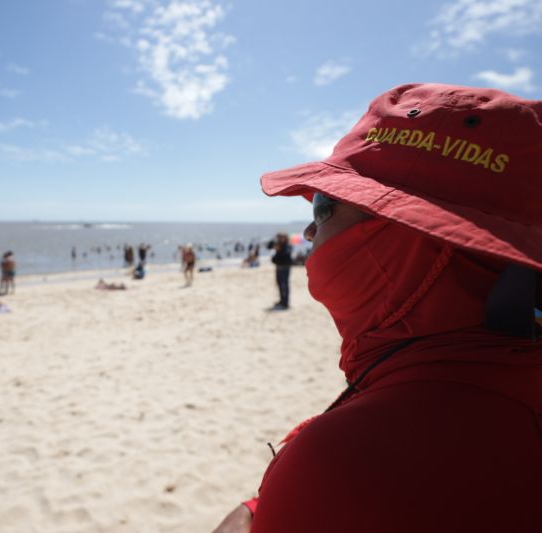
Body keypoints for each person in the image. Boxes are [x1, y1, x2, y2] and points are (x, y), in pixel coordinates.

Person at [212, 83, 542, 533]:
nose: (308, 231)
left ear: (410, 237)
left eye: (326, 206)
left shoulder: (360, 459)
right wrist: (259, 506)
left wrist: (262, 504)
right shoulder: (508, 383)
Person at [270, 233, 292, 310]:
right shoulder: (278, 244)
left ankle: (285, 303)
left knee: (284, 285)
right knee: (279, 284)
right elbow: (268, 246)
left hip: (285, 267)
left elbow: (285, 255)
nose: (280, 239)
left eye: (281, 237)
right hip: (278, 267)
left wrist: (279, 249)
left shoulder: (288, 246)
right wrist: (273, 239)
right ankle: (281, 301)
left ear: (285, 237)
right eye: (279, 237)